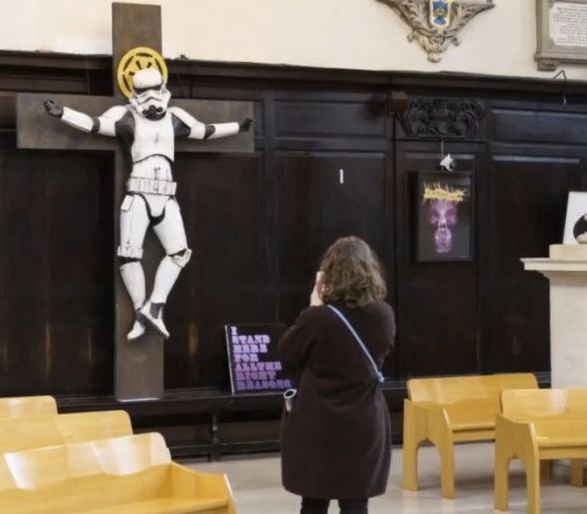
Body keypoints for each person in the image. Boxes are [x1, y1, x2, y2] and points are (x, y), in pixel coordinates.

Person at [43, 67, 252, 341]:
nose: (152, 99)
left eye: (156, 90)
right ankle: (142, 312)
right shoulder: (126, 117)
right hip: (138, 194)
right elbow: (96, 125)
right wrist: (64, 114)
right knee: (129, 254)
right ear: (136, 94)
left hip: (167, 195)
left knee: (180, 253)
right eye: (145, 92)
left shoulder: (175, 117)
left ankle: (154, 308)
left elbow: (204, 130)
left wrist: (237, 127)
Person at [279, 236, 395, 514]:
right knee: (356, 501)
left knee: (314, 501)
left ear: (329, 274)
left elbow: (287, 353)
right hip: (364, 422)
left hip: (316, 423)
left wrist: (313, 305)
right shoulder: (383, 315)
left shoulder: (317, 318)